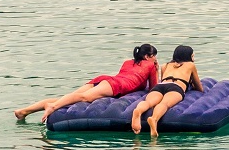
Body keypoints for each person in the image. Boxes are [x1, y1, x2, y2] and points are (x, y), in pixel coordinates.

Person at [13, 44, 159, 123]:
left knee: (73, 96)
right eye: (154, 57)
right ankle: (52, 107)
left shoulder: (128, 62)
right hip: (116, 85)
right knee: (84, 98)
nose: (155, 60)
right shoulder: (151, 65)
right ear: (147, 56)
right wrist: (156, 69)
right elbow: (154, 87)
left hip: (105, 79)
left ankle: (24, 111)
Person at [131, 45, 203, 136]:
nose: (193, 59)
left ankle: (138, 111)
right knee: (164, 104)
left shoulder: (165, 65)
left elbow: (161, 80)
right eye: (192, 56)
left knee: (149, 102)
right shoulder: (190, 65)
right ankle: (154, 119)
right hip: (176, 87)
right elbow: (199, 88)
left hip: (160, 86)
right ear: (188, 56)